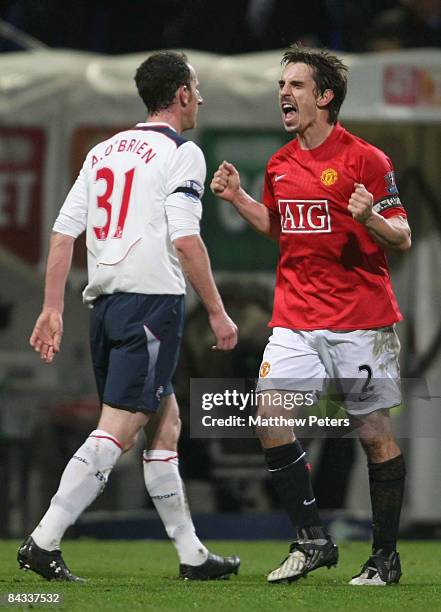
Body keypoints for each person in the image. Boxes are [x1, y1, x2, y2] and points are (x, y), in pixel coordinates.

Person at [18, 51, 240, 582]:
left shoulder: (104, 150)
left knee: (166, 426)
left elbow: (62, 234)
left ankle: (191, 555)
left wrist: (52, 309)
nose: (202, 98)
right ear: (183, 93)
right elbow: (186, 241)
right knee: (115, 432)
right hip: (150, 308)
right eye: (198, 88)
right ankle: (43, 541)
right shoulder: (182, 153)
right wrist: (218, 312)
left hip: (106, 309)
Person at [211, 44, 411, 586]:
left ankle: (385, 557)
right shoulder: (279, 163)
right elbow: (282, 228)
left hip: (360, 321)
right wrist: (237, 200)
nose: (284, 93)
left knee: (373, 436)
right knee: (268, 417)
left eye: (296, 85)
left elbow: (403, 236)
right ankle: (312, 540)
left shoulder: (367, 159)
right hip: (296, 319)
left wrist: (371, 218)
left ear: (324, 97)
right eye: (282, 85)